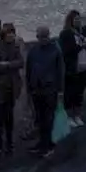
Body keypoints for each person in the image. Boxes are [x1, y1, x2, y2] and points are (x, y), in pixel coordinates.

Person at [25, 25, 64, 157]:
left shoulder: (54, 51)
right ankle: (43, 142)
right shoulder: (34, 50)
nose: (41, 39)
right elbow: (28, 70)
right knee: (40, 118)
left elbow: (60, 72)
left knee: (48, 118)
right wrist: (29, 87)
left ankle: (47, 145)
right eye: (39, 37)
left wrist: (60, 91)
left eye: (43, 37)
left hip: (49, 89)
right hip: (37, 89)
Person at [0, 23, 24, 155]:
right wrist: (11, 65)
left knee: (9, 116)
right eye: (8, 33)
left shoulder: (16, 47)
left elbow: (21, 62)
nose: (11, 35)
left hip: (11, 87)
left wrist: (7, 64)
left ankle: (9, 142)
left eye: (12, 33)